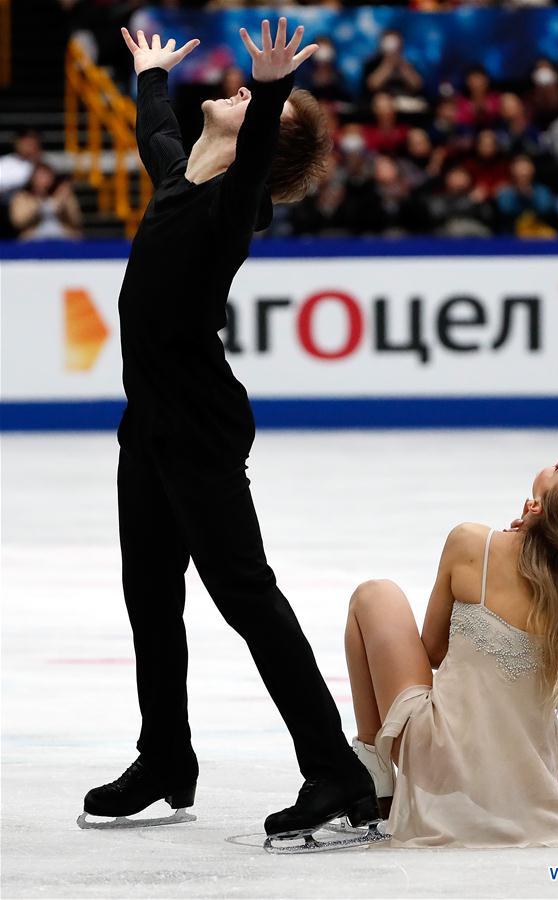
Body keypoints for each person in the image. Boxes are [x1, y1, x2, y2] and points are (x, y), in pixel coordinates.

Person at [81, 19, 377, 842]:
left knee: (245, 594)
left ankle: (334, 770)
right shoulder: (182, 177)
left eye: (257, 106)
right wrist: (147, 75)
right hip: (149, 424)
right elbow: (160, 131)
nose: (240, 96)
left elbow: (251, 170)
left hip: (200, 428)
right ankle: (166, 759)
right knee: (151, 599)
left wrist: (276, 87)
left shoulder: (226, 210)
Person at [344, 459, 558, 848]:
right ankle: (511, 803)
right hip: (517, 755)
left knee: (375, 595)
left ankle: (375, 770)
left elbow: (432, 651)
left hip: (437, 757)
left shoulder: (473, 543)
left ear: (536, 506)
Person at [9, 163, 82, 240]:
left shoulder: (64, 195)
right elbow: (18, 222)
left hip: (63, 237)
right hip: (33, 239)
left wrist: (63, 203)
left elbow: (77, 221)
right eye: (40, 176)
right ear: (32, 178)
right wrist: (37, 206)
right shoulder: (22, 197)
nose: (44, 179)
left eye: (47, 175)